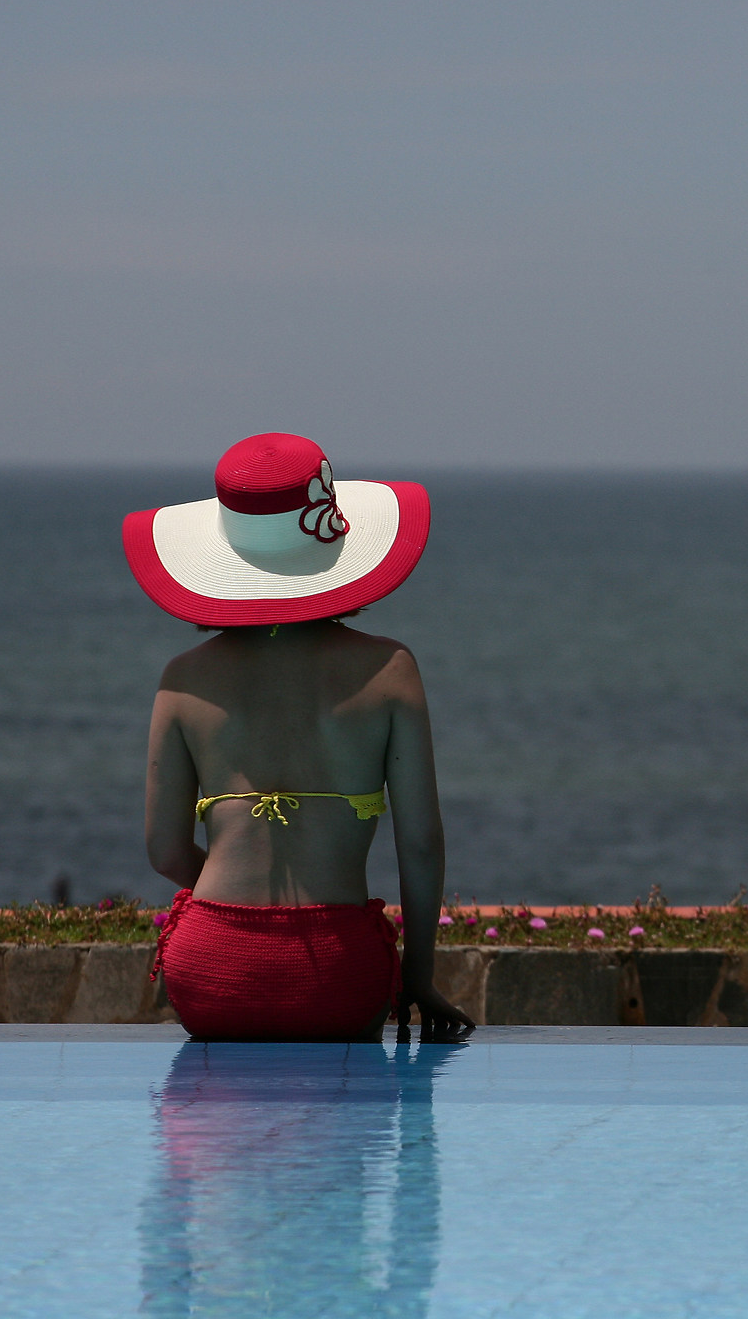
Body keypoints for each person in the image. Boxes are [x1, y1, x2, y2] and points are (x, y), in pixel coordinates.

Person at [124, 432, 475, 1040]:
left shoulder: (182, 679)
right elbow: (420, 844)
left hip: (211, 969)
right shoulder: (390, 672)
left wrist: (237, 920)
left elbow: (165, 852)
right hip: (338, 972)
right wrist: (418, 977)